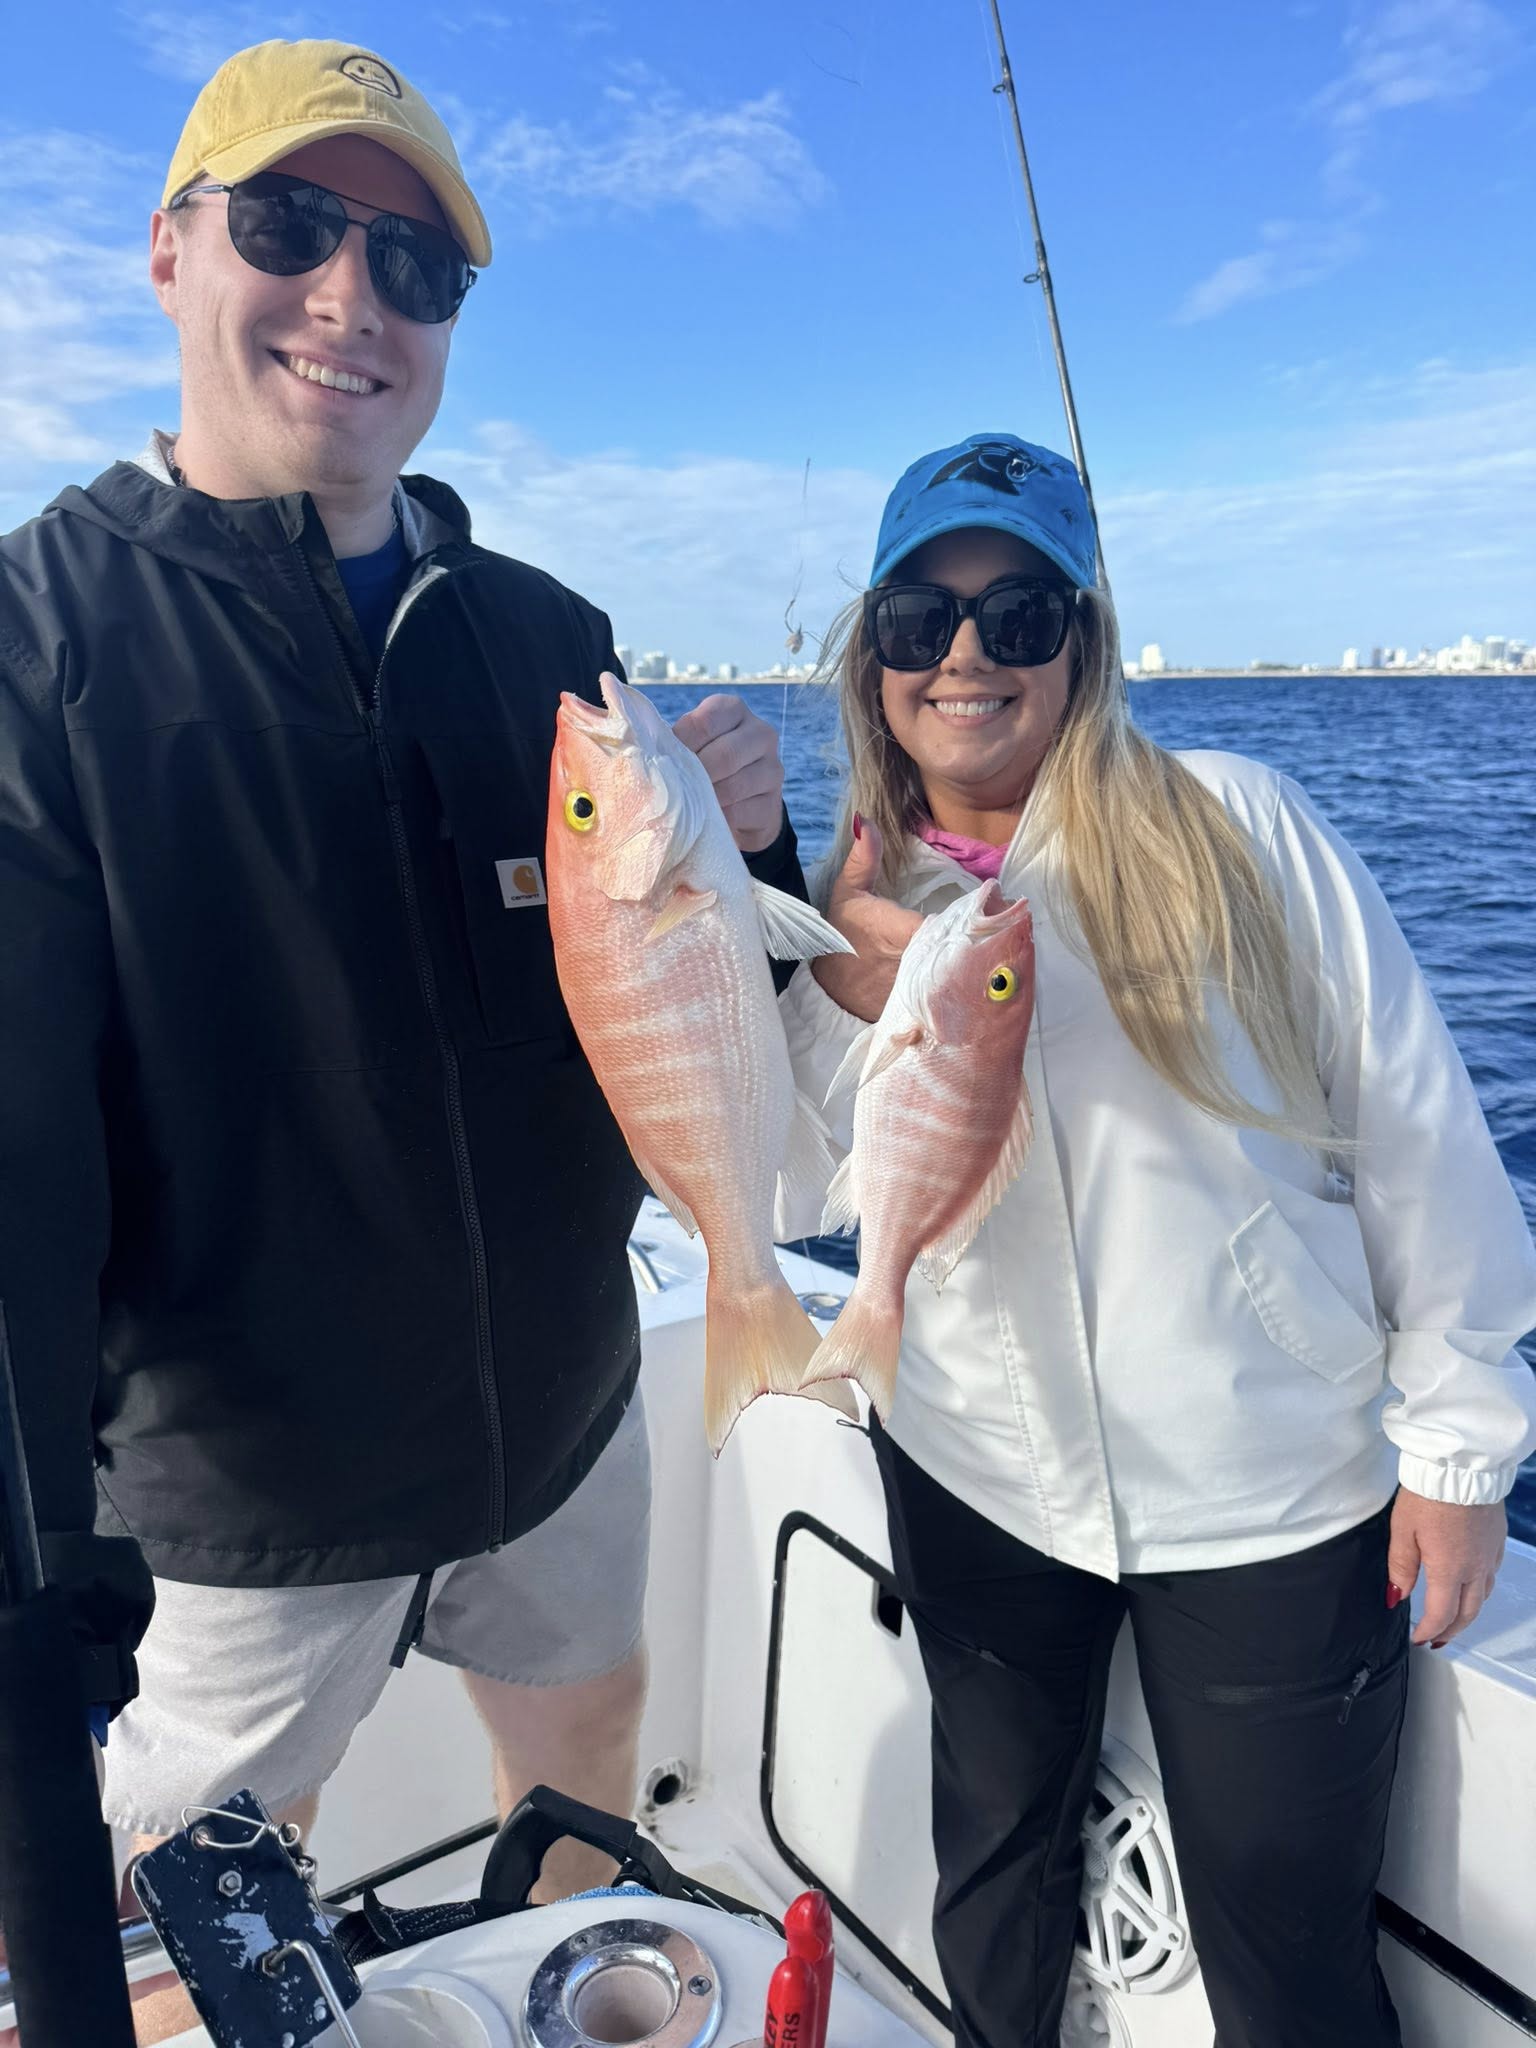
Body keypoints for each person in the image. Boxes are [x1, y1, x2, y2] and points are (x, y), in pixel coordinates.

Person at [0, 38, 807, 2037]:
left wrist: (756, 855)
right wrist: (51, 1549)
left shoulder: (545, 636)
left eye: (417, 265)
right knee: (186, 1929)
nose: (352, 298)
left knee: (586, 1789)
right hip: (240, 1482)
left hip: (565, 1404)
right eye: (291, 226)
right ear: (171, 250)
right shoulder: (39, 643)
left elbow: (679, 1004)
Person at [775, 431, 1536, 2047]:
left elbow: (1410, 1122)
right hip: (974, 1466)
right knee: (992, 1874)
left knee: (1288, 1939)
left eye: (1019, 613)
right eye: (918, 615)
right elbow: (796, 1199)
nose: (964, 653)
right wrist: (825, 993)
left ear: (1084, 642)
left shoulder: (1237, 822)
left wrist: (1461, 1441)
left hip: (1269, 1487)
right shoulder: (848, 900)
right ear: (871, 653)